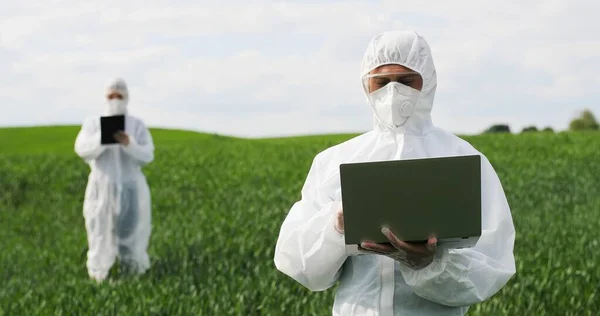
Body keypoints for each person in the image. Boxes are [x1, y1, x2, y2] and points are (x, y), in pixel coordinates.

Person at [273, 30, 516, 315]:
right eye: (382, 81)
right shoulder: (333, 162)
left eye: (405, 80)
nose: (392, 91)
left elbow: (491, 264)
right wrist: (337, 227)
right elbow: (302, 266)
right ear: (367, 86)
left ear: (427, 82)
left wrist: (430, 262)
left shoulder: (463, 158)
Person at [74, 78, 155, 283]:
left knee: (132, 232)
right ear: (104, 97)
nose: (115, 100)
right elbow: (82, 149)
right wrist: (103, 138)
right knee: (99, 233)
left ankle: (134, 275)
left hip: (130, 188)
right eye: (111, 96)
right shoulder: (93, 123)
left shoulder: (136, 125)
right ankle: (99, 276)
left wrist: (129, 144)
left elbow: (147, 155)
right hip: (101, 188)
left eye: (119, 96)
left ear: (127, 97)